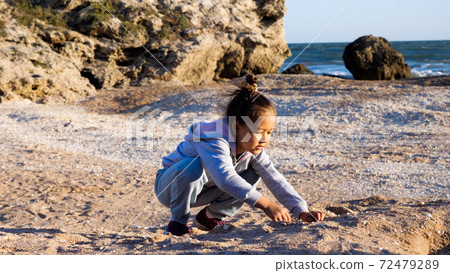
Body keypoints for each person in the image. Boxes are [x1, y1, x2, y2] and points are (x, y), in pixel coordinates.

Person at [154, 74, 324, 236]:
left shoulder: (254, 149)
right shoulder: (214, 138)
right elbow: (225, 178)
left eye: (269, 132)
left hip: (205, 190)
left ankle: (210, 217)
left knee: (252, 171)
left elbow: (274, 178)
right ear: (237, 127)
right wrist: (266, 205)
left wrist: (301, 210)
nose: (264, 139)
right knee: (194, 167)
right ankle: (177, 223)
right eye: (259, 132)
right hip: (169, 189)